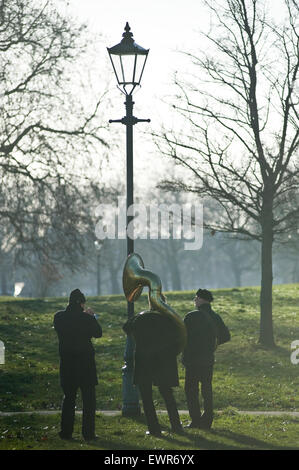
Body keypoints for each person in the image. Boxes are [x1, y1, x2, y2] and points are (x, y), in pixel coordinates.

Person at [123, 294, 183, 437]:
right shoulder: (170, 319)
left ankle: (154, 429)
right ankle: (176, 426)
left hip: (144, 361)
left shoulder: (141, 317)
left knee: (147, 397)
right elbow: (178, 340)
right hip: (163, 362)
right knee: (167, 395)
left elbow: (126, 327)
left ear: (151, 303)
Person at [54, 288, 102, 441]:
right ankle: (88, 433)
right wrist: (92, 316)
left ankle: (66, 432)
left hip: (67, 363)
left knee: (69, 398)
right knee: (89, 400)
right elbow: (98, 333)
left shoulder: (59, 317)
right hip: (86, 364)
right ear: (81, 303)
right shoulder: (87, 319)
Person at [183, 288, 230, 430]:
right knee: (206, 390)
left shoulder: (190, 316)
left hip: (192, 359)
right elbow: (226, 336)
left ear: (202, 300)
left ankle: (195, 420)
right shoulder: (215, 316)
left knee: (191, 390)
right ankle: (208, 420)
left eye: (196, 298)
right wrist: (212, 345)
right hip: (208, 358)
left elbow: (182, 337)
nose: (194, 300)